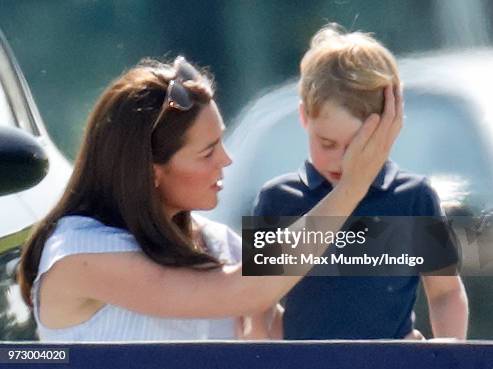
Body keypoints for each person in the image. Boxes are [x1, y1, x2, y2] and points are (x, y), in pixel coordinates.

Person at [17, 54, 401, 341]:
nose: (226, 159)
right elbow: (247, 287)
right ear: (149, 170)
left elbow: (301, 332)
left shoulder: (219, 244)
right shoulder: (77, 255)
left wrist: (396, 334)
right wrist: (352, 187)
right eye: (208, 151)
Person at [252, 24, 468, 340]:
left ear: (389, 128)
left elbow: (445, 292)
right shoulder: (276, 199)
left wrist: (444, 353)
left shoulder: (414, 198)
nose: (342, 160)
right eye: (327, 143)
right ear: (304, 118)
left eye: (357, 144)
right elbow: (257, 306)